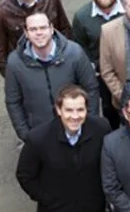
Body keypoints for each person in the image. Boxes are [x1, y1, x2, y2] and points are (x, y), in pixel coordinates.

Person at [5, 13, 99, 142]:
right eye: (33, 29)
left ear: (51, 29)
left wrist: (89, 122)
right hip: (40, 134)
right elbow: (13, 101)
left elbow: (91, 88)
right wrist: (25, 134)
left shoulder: (74, 53)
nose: (39, 33)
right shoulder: (15, 62)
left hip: (75, 127)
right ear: (26, 33)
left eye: (43, 28)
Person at [72, 0, 125, 129]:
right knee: (109, 112)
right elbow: (80, 47)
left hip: (128, 71)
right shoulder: (82, 16)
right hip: (102, 76)